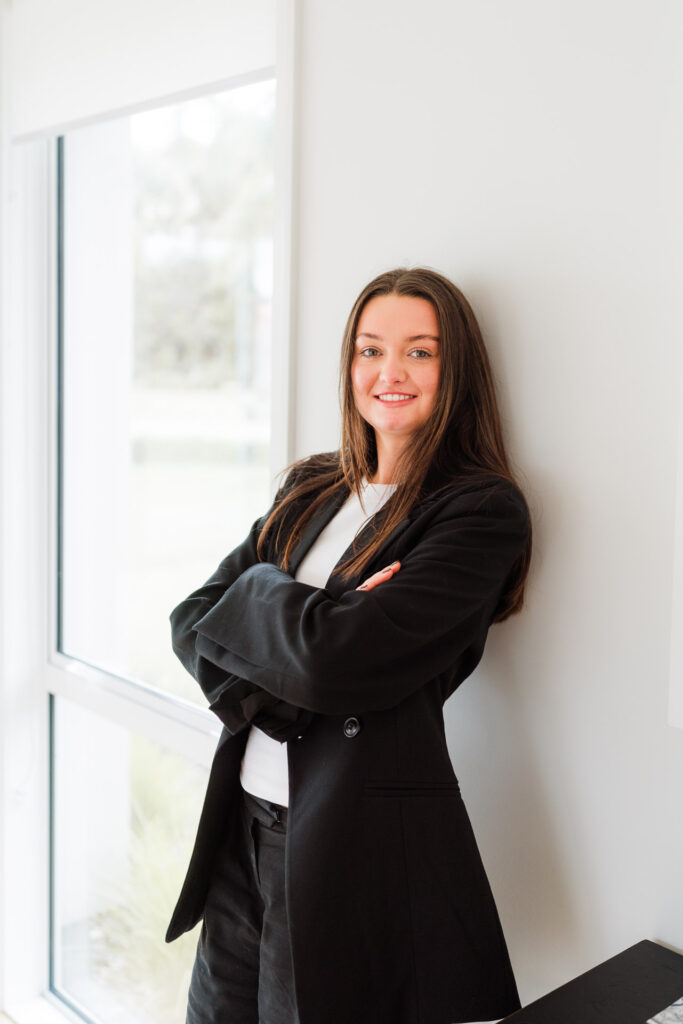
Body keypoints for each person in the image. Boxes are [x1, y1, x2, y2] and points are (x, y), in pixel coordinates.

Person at [166, 267, 533, 1024]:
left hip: (342, 845)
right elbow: (191, 620)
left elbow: (339, 664)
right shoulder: (309, 485)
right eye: (369, 350)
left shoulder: (478, 511)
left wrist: (268, 601)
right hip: (242, 822)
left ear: (455, 368)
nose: (388, 372)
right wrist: (319, 610)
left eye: (419, 352)